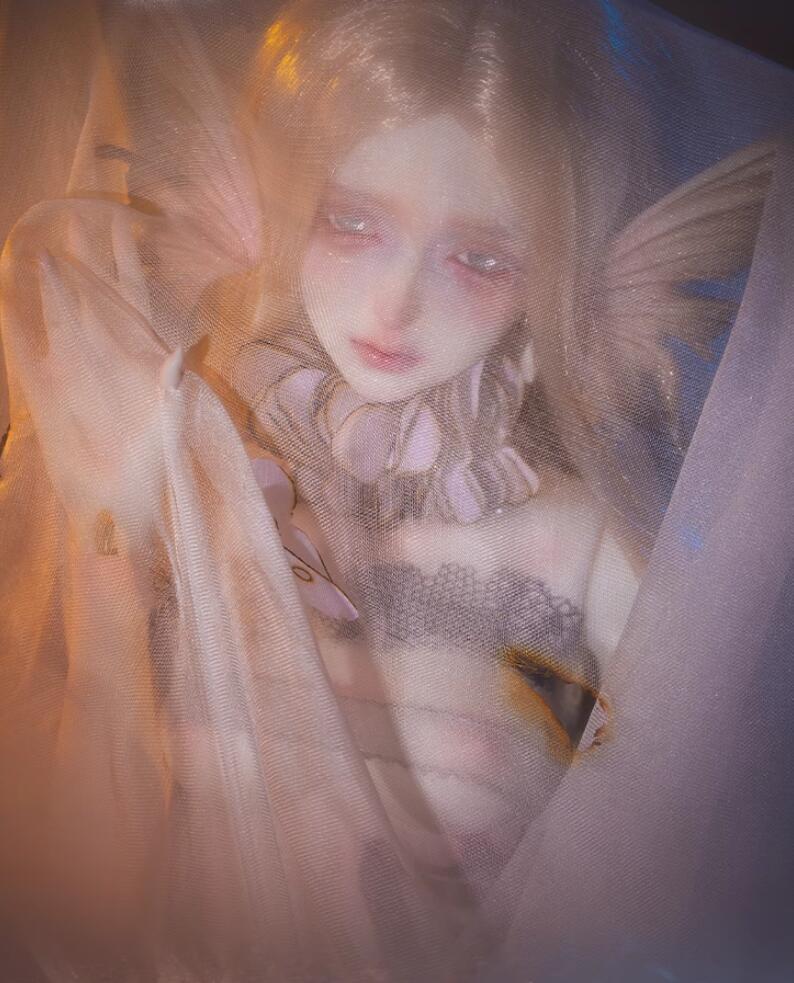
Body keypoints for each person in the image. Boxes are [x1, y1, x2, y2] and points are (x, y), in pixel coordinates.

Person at [0, 0, 792, 980]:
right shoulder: (199, 460)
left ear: (550, 269)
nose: (395, 303)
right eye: (352, 221)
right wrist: (114, 546)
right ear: (283, 204)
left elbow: (665, 831)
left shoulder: (573, 533)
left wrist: (539, 758)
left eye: (478, 257)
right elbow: (69, 803)